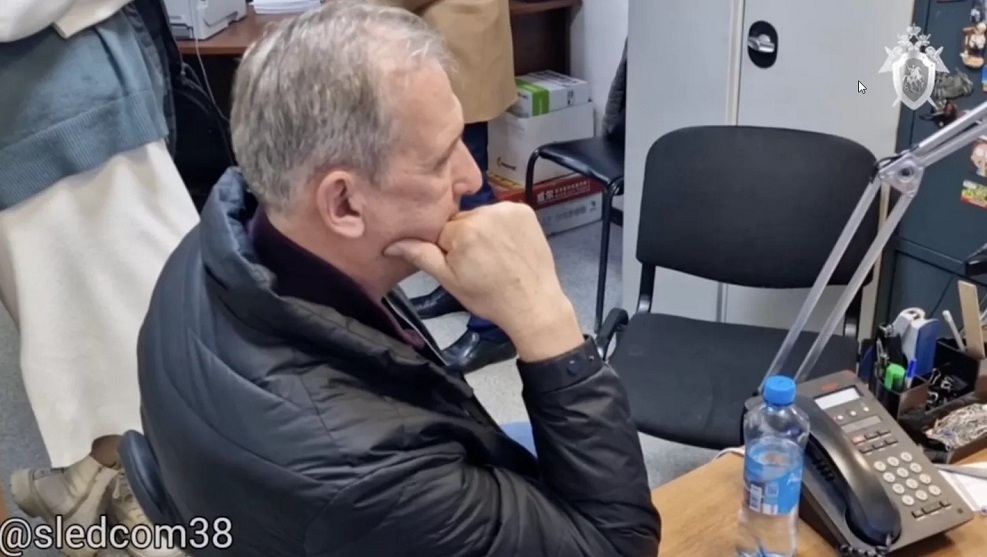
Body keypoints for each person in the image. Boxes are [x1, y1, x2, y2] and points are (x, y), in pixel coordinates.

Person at [136, 2, 661, 556]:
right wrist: (546, 319)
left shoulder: (209, 245)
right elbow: (618, 546)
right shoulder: (377, 479)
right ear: (343, 203)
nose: (472, 178)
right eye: (440, 160)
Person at [0, 1, 198, 556]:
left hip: (70, 98)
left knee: (141, 330)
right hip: (47, 115)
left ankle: (94, 481)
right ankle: (107, 484)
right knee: (127, 338)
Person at [388, 0, 520, 373]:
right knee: (449, 189)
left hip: (458, 46)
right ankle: (462, 285)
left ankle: (495, 328)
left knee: (468, 192)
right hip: (447, 45)